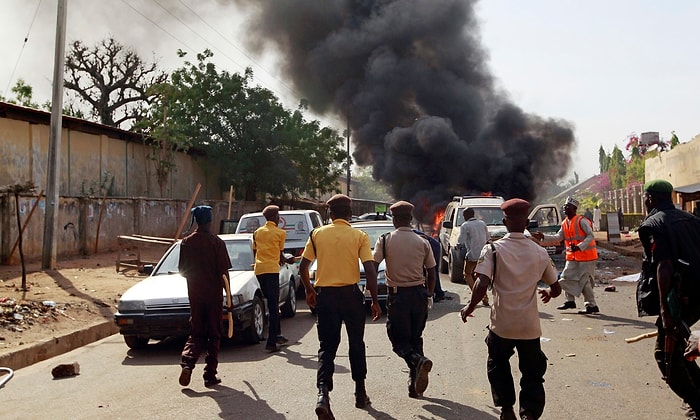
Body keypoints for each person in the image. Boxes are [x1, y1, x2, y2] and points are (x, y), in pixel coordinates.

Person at [460, 198, 561, 420]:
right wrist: (548, 293)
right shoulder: (539, 252)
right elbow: (556, 287)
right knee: (533, 373)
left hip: (502, 326)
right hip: (529, 327)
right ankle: (529, 414)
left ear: (505, 222)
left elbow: (481, 283)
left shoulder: (493, 249)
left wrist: (470, 306)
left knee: (497, 364)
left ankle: (506, 410)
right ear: (526, 222)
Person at [299, 194, 382, 420]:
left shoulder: (317, 234)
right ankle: (360, 393)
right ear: (350, 213)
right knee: (357, 343)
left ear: (330, 213)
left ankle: (323, 396)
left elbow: (303, 267)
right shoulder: (359, 235)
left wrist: (309, 290)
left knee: (327, 347)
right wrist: (374, 300)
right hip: (352, 296)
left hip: (326, 297)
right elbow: (371, 270)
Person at [638, 179, 700, 418]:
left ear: (651, 198)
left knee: (666, 359)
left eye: (645, 198)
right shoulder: (692, 220)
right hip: (695, 298)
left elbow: (663, 266)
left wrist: (665, 312)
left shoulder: (653, 224)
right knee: (681, 353)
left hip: (678, 299)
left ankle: (697, 403)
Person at [374, 201, 436, 398]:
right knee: (415, 338)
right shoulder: (423, 242)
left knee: (398, 340)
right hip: (419, 295)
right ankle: (413, 384)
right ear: (410, 219)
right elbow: (432, 272)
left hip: (398, 296)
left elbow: (373, 266)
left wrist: (372, 293)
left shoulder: (385, 240)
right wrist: (430, 293)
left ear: (394, 219)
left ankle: (417, 360)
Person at [178, 205, 232, 387]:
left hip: (195, 295)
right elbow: (224, 274)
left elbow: (182, 271)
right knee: (214, 334)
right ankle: (210, 374)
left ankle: (187, 364)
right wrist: (229, 298)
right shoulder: (216, 243)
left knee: (196, 332)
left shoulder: (186, 242)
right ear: (210, 221)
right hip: (213, 296)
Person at [533, 196, 600, 314]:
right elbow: (558, 237)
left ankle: (591, 305)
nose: (565, 209)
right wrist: (543, 237)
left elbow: (591, 236)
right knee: (565, 277)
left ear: (574, 209)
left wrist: (579, 247)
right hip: (572, 257)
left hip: (586, 257)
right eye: (564, 207)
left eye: (568, 207)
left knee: (584, 282)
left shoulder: (581, 221)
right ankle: (570, 301)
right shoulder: (565, 223)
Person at [253, 205, 295, 353]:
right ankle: (271, 342)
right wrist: (289, 260)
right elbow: (281, 257)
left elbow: (255, 251)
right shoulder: (280, 233)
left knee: (270, 303)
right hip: (271, 271)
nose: (279, 218)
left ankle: (277, 335)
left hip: (259, 270)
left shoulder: (257, 232)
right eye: (278, 215)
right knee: (273, 306)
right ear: (274, 217)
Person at [458, 207, 490, 305]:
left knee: (467, 274)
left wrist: (458, 246)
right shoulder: (482, 223)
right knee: (480, 277)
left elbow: (460, 241)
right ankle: (484, 298)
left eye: (464, 215)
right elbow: (488, 237)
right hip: (484, 255)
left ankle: (477, 296)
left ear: (467, 215)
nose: (463, 217)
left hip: (472, 255)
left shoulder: (465, 225)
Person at [413, 227, 446, 301]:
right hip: (431, 246)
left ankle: (439, 293)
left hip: (433, 248)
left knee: (433, 270)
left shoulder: (412, 235)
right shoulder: (408, 234)